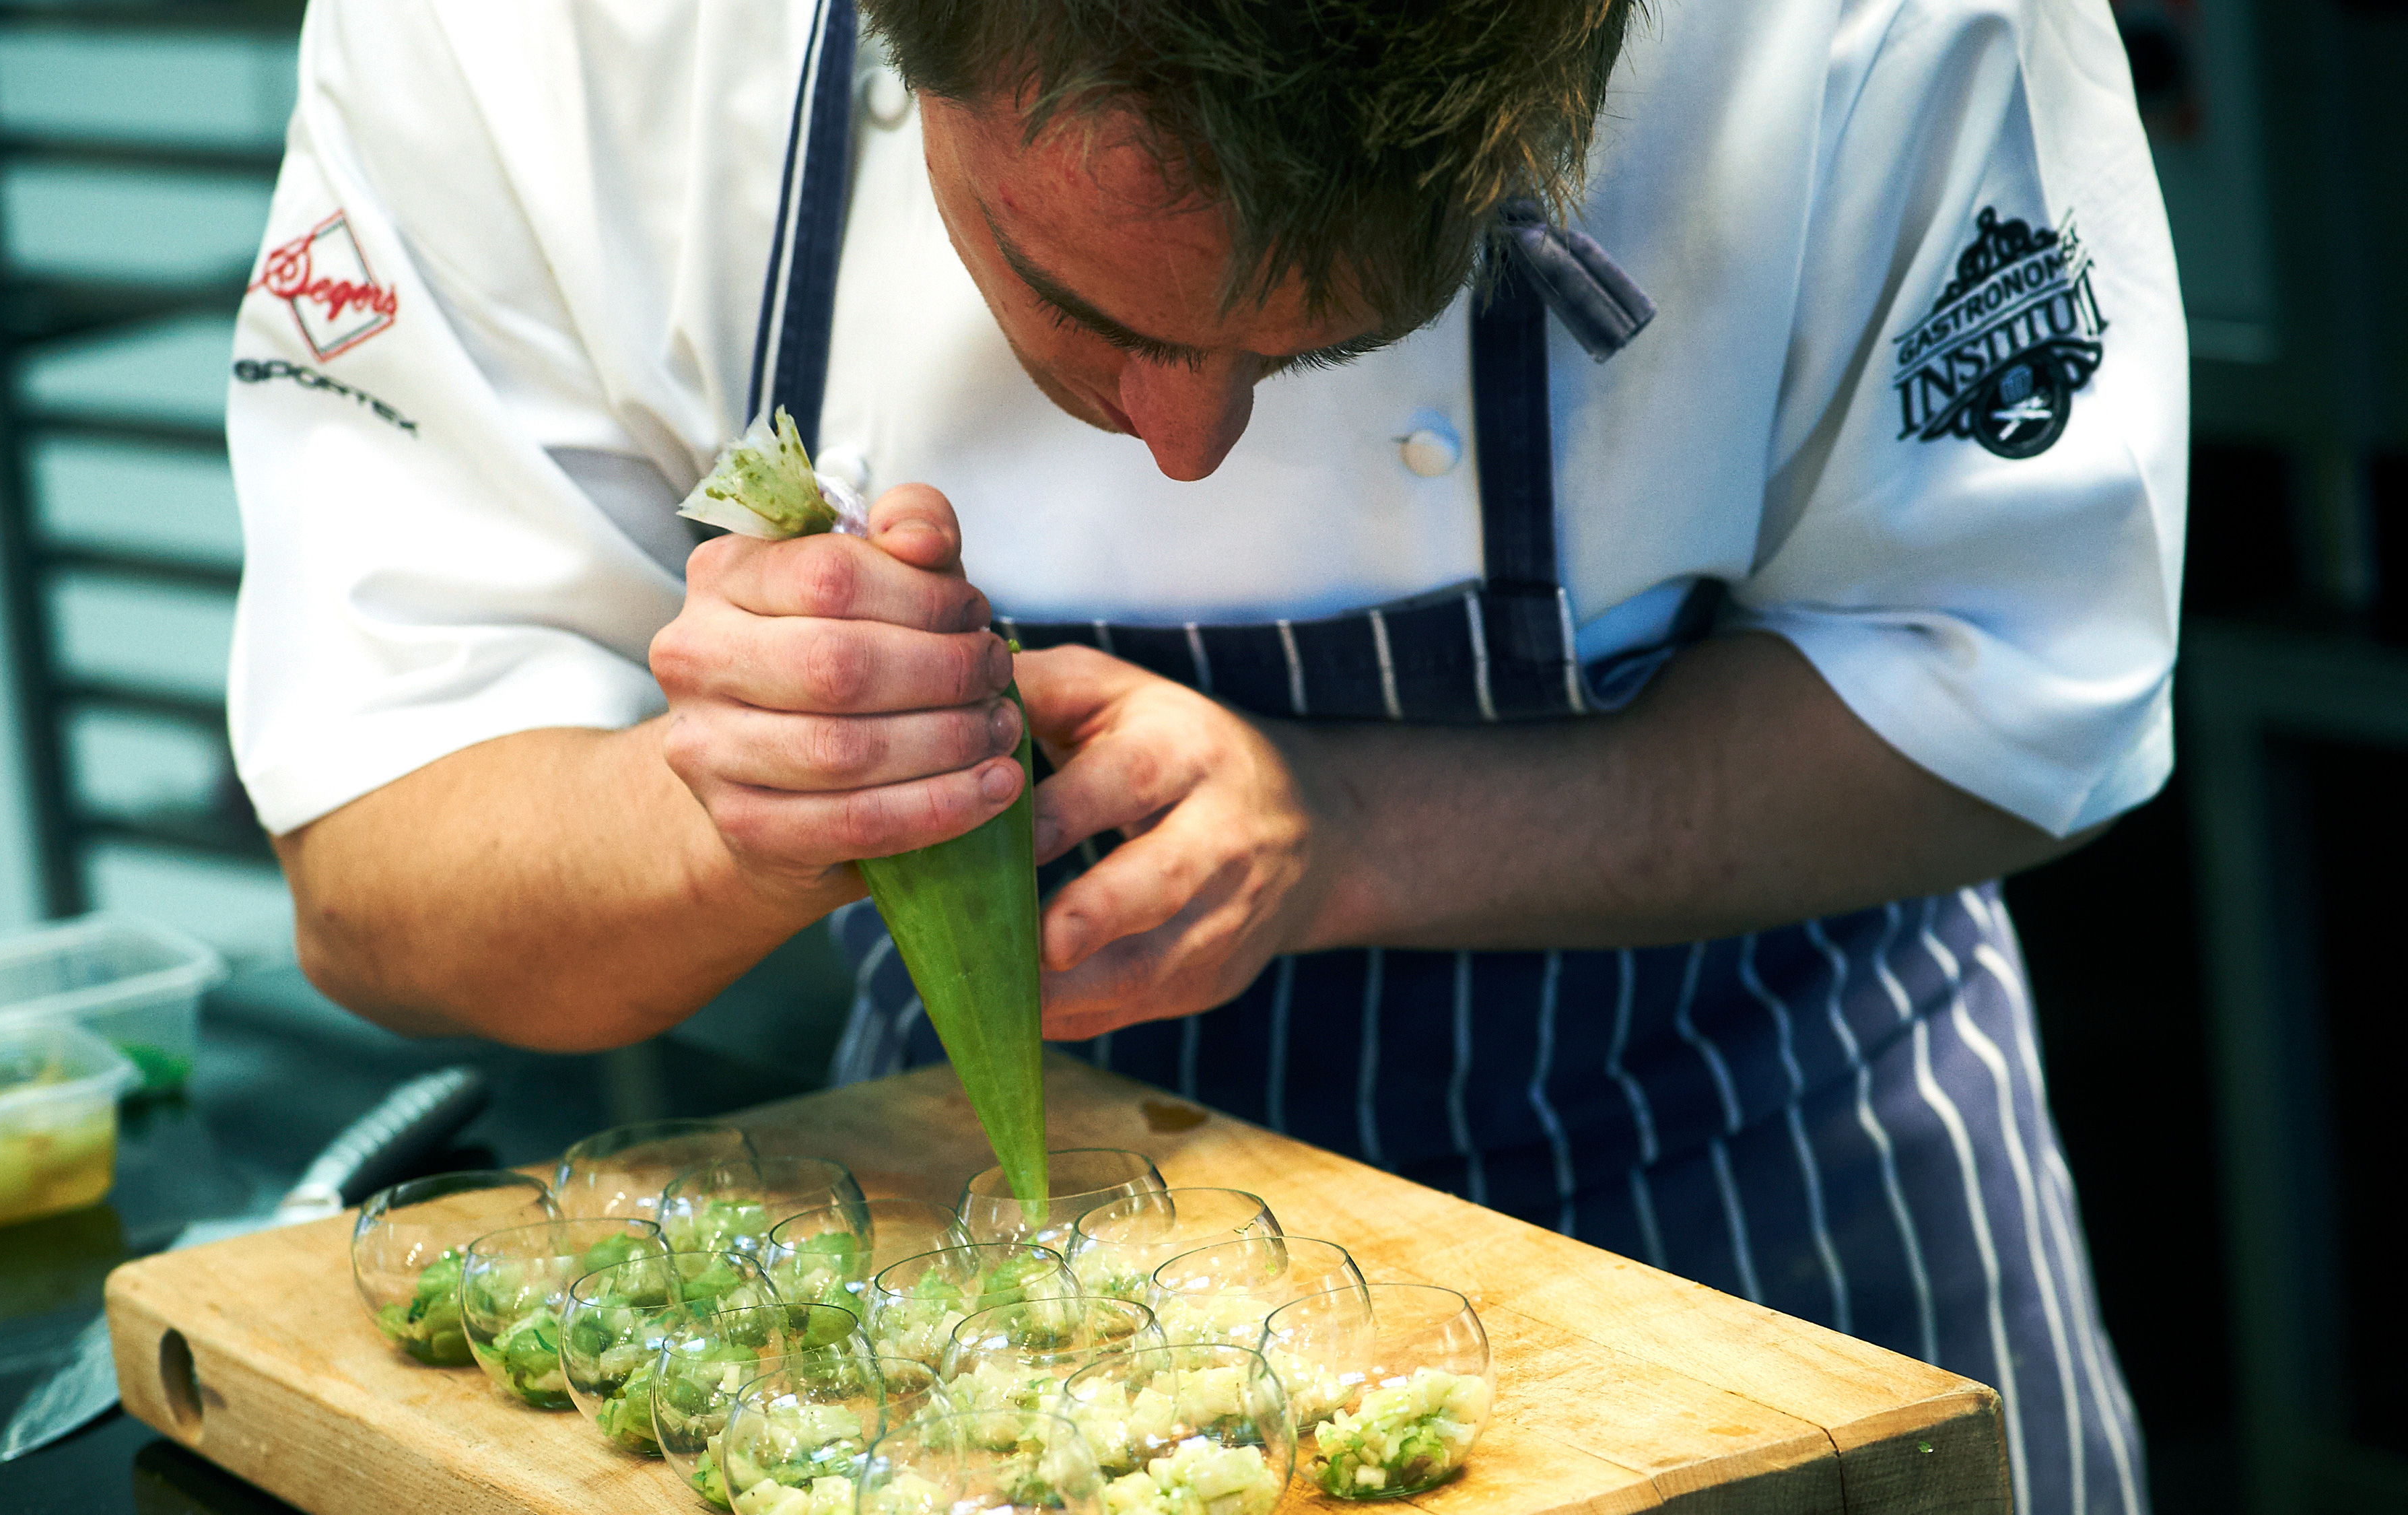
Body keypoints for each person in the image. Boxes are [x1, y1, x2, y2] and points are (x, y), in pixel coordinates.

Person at [225, 2, 2178, 1509]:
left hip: (1772, 1189)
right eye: (1079, 302)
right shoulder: (549, 48)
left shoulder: (1864, 30)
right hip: (989, 1260)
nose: (1184, 443)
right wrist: (739, 805)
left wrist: (1353, 831)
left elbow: (2011, 684)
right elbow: (384, 868)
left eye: (1323, 343)